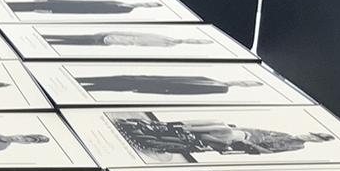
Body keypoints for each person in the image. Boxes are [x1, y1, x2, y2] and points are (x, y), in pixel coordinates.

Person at [172, 120, 334, 155]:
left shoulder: (297, 146)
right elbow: (259, 130)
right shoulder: (286, 134)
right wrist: (240, 129)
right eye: (311, 134)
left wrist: (248, 142)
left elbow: (268, 151)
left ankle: (185, 130)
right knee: (219, 124)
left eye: (313, 138)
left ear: (316, 142)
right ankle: (180, 126)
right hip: (243, 135)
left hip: (244, 144)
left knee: (223, 130)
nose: (308, 136)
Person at [77, 76, 264, 95]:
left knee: (114, 87)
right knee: (112, 79)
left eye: (245, 84)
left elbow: (185, 92)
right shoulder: (207, 77)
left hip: (156, 87)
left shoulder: (221, 89)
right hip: (151, 79)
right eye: (244, 80)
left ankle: (83, 88)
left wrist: (151, 91)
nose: (240, 81)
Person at [42, 31, 212, 48]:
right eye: (195, 40)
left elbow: (139, 45)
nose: (192, 42)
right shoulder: (164, 37)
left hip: (112, 43)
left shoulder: (167, 46)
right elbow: (135, 35)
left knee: (74, 43)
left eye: (195, 43)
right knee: (74, 37)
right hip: (109, 37)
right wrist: (110, 33)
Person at [9, 0, 163, 15]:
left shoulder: (126, 9)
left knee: (30, 8)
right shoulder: (120, 1)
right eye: (148, 2)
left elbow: (94, 10)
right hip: (65, 3)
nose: (145, 3)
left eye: (148, 5)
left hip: (68, 9)